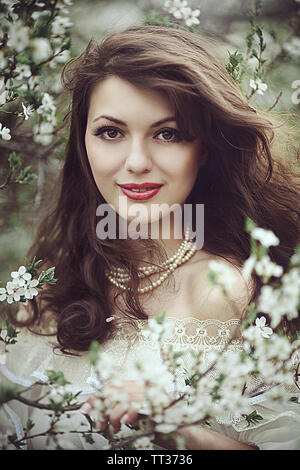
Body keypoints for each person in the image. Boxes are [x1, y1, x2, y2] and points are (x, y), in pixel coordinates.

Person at [1, 24, 300, 450]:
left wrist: (177, 429)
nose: (137, 162)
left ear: (207, 148)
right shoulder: (54, 278)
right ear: (83, 143)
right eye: (111, 132)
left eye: (167, 133)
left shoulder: (236, 289)